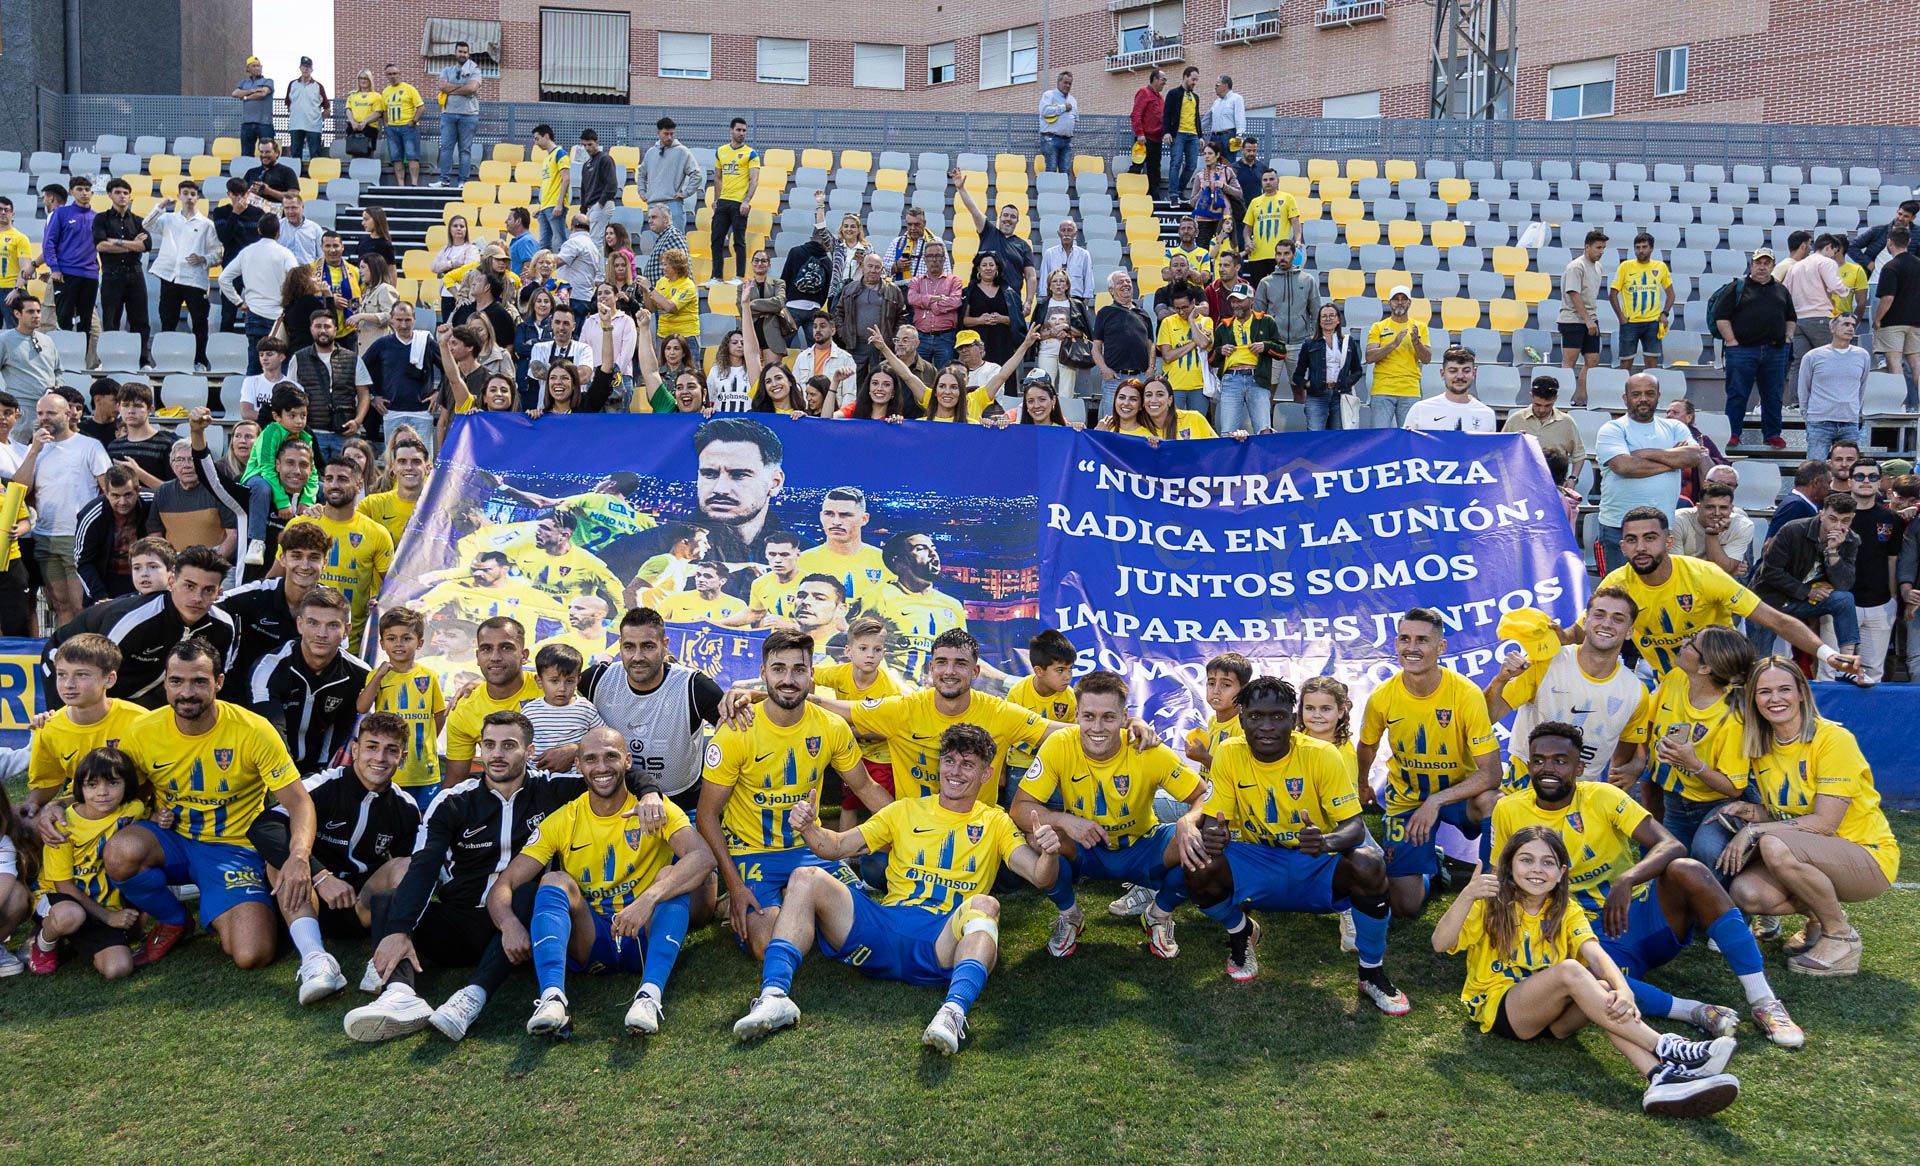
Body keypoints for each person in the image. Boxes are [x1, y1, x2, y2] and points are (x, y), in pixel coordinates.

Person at [730, 723, 1063, 1055]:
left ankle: (952, 1013)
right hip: (884, 928)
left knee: (986, 905)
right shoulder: (905, 809)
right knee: (806, 877)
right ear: (939, 765)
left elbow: (1040, 876)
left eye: (967, 764)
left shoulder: (996, 821)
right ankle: (774, 997)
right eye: (949, 761)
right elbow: (836, 847)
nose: (955, 772)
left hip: (941, 940)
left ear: (987, 773)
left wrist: (1048, 853)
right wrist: (809, 828)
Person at [339, 712, 666, 1042]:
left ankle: (473, 996)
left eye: (509, 745)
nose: (497, 754)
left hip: (522, 928)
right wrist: (400, 929)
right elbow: (424, 867)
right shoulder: (453, 800)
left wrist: (650, 792)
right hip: (463, 922)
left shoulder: (553, 791)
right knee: (387, 902)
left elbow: (612, 773)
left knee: (530, 890)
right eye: (489, 745)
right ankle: (399, 995)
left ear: (529, 750)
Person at [1497, 718, 1806, 1046]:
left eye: (1560, 761)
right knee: (1575, 972)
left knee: (1687, 869)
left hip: (1637, 916)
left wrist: (1627, 880)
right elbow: (1499, 876)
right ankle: (1696, 1011)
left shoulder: (1602, 796)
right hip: (1578, 934)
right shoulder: (1509, 809)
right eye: (1539, 760)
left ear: (1579, 767)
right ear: (1528, 763)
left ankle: (1764, 1001)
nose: (1548, 768)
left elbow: (1671, 844)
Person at [1432, 824, 1743, 1117]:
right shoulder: (1492, 903)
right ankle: (1666, 1047)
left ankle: (1658, 1077)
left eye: (1548, 862)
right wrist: (1468, 894)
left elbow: (1596, 955)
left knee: (1605, 991)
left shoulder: (1565, 909)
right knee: (1570, 970)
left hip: (1554, 1017)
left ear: (1561, 873)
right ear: (1509, 866)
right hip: (1504, 1011)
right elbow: (1439, 943)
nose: (1537, 869)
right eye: (1526, 860)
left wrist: (1624, 991)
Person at [1169, 677, 1407, 1010]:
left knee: (1369, 862)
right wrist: (1213, 834)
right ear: (1242, 718)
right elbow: (1214, 817)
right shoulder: (1228, 752)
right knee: (1199, 860)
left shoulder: (1322, 754)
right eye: (1256, 716)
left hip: (1312, 861)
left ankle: (1371, 972)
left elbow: (1354, 827)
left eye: (1277, 716)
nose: (1266, 726)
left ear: (1292, 718)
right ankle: (1241, 934)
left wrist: (1325, 842)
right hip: (1258, 860)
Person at [85, 638, 310, 977]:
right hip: (170, 840)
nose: (186, 692)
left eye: (199, 681)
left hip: (232, 849)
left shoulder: (253, 730)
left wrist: (299, 857)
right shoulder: (143, 731)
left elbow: (299, 802)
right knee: (120, 852)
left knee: (252, 954)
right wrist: (59, 807)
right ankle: (175, 920)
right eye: (176, 681)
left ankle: (229, 903)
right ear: (165, 681)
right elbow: (117, 788)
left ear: (218, 682)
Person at [492, 725, 710, 1039]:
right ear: (578, 766)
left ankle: (649, 996)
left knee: (668, 878)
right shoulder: (563, 819)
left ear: (628, 761)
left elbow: (703, 858)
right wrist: (509, 924)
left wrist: (647, 900)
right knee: (554, 879)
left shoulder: (652, 808)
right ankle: (553, 999)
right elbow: (505, 884)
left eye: (611, 757)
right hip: (591, 939)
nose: (602, 767)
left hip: (644, 933)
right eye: (591, 759)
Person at [1687, 659, 1900, 976]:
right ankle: (1818, 917)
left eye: (1784, 689)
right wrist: (1752, 811)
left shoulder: (1833, 740)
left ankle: (1841, 936)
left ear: (1802, 692)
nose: (1775, 699)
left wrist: (1753, 830)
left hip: (1866, 854)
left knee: (1773, 844)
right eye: (1764, 692)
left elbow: (1824, 823)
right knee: (1747, 893)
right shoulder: (1763, 745)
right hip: (1814, 850)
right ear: (1754, 700)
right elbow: (1790, 810)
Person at [698, 630, 889, 958]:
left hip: (810, 848)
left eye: (799, 670)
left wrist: (912, 829)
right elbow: (707, 815)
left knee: (866, 933)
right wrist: (735, 885)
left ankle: (795, 895)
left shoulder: (831, 726)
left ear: (812, 675)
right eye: (779, 669)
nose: (789, 679)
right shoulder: (736, 731)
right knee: (768, 947)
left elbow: (865, 788)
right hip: (752, 852)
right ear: (763, 674)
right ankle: (788, 898)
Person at [1011, 671, 1206, 961]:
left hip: (1141, 847)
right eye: (1089, 716)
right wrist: (1065, 821)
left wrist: (1188, 821)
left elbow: (1202, 795)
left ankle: (1159, 914)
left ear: (1124, 716)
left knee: (1203, 843)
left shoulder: (1147, 749)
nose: (1097, 727)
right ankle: (1071, 915)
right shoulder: (1060, 744)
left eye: (1108, 717)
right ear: (1077, 714)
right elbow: (1019, 809)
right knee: (1038, 839)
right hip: (1086, 850)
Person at [1356, 608, 1500, 918]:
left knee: (1494, 802)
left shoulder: (1465, 693)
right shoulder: (1383, 696)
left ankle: (1493, 889)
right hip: (1406, 800)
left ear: (1441, 647)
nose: (1412, 648)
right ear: (1396, 644)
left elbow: (1491, 774)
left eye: (1422, 640)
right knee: (1405, 907)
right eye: (1405, 639)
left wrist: (1436, 800)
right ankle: (1431, 867)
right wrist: (1363, 783)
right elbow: (1367, 744)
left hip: (1457, 796)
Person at [1600, 505, 1859, 677]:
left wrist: (1828, 654)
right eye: (1632, 540)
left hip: (1725, 683)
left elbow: (1775, 619)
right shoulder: (1616, 585)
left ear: (1668, 542)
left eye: (1650, 538)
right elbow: (1583, 631)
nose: (1641, 547)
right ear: (1622, 547)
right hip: (1669, 688)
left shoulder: (1703, 576)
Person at [578, 606, 733, 806]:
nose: (637, 656)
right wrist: (571, 748)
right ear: (620, 646)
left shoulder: (693, 686)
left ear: (665, 645)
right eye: (629, 647)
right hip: (616, 805)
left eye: (648, 646)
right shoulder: (597, 679)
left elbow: (740, 732)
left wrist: (750, 695)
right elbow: (550, 698)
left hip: (683, 804)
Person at [15, 391, 111, 627]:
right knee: (59, 606)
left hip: (77, 538)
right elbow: (19, 491)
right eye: (40, 413)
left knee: (81, 606)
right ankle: (63, 656)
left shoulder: (90, 446)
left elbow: (108, 491)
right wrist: (34, 450)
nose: (44, 418)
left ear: (68, 414)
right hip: (45, 538)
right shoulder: (36, 449)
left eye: (50, 413)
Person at [23, 634, 145, 816]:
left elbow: (157, 778)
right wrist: (33, 804)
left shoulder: (139, 720)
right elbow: (46, 783)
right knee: (29, 824)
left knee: (126, 843)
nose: (68, 684)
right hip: (81, 803)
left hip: (135, 805)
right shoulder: (50, 727)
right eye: (62, 675)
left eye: (81, 675)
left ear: (109, 679)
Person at [1593, 373, 1698, 573]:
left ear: (1658, 395)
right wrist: (1672, 461)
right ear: (1625, 398)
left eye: (1649, 393)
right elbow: (1624, 467)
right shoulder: (1613, 429)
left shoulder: (1675, 427)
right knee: (1620, 595)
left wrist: (1647, 453)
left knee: (1656, 590)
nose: (1643, 399)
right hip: (1619, 528)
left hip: (1660, 528)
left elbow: (1693, 457)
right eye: (1636, 394)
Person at [1750, 493, 1861, 670]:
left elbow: (1844, 585)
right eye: (1832, 519)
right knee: (1759, 661)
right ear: (1821, 513)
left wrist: (1833, 553)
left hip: (1799, 602)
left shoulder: (1850, 539)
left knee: (1844, 599)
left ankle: (1847, 663)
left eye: (1845, 521)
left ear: (1852, 519)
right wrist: (1807, 591)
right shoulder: (1793, 529)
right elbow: (1770, 572)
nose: (1838, 526)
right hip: (1767, 601)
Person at [357, 606, 447, 810]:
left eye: (406, 638)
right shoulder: (376, 675)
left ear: (420, 643)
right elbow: (362, 707)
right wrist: (378, 676)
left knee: (423, 820)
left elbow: (439, 715)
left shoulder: (429, 676)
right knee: (388, 817)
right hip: (390, 768)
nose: (399, 644)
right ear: (382, 643)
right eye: (391, 638)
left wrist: (425, 739)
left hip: (424, 769)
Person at [1714, 247, 1796, 449]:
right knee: (1737, 394)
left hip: (1775, 351)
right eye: (1758, 262)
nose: (1762, 266)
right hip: (1742, 351)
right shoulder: (1737, 287)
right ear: (1751, 264)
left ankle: (1772, 434)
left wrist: (1788, 337)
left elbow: (1791, 317)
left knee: (1773, 395)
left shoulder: (1781, 290)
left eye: (1767, 263)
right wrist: (1731, 341)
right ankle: (1732, 433)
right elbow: (1721, 317)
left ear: (1773, 266)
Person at [144, 181, 220, 373]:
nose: (189, 197)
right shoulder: (169, 219)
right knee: (168, 321)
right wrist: (160, 206)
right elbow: (146, 224)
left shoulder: (206, 224)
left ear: (198, 198)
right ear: (179, 196)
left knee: (199, 323)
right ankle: (166, 360)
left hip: (195, 280)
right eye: (185, 193)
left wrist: (203, 258)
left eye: (193, 194)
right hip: (170, 277)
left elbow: (217, 254)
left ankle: (200, 361)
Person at [219, 213, 301, 376]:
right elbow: (296, 281)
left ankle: (251, 399)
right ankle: (279, 399)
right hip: (279, 316)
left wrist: (238, 302)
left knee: (255, 363)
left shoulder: (246, 252)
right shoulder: (285, 254)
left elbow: (223, 278)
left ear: (258, 230)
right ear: (279, 233)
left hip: (254, 314)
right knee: (281, 364)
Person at [93, 178, 154, 370]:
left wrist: (118, 242)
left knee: (140, 320)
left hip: (135, 274)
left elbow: (145, 246)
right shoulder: (101, 218)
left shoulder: (138, 220)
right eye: (118, 192)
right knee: (111, 319)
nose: (122, 196)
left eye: (126, 193)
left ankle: (143, 360)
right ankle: (110, 359)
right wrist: (131, 244)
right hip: (111, 274)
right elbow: (101, 245)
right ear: (110, 195)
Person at [1208, 281, 1280, 434]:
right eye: (1233, 301)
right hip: (1231, 380)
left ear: (1251, 301)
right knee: (1227, 432)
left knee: (1264, 431)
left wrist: (1265, 346)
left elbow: (1282, 351)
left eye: (1239, 300)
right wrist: (1221, 350)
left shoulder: (1266, 322)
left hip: (1258, 379)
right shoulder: (1223, 327)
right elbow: (1212, 360)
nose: (1235, 305)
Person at [73, 467, 151, 604]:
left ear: (137, 490)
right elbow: (82, 561)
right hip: (107, 580)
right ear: (106, 492)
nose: (122, 502)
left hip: (146, 576)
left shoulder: (152, 502)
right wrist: (100, 596)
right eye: (115, 496)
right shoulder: (91, 515)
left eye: (128, 495)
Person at [42, 176, 100, 353]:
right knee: (64, 319)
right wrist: (55, 268)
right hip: (66, 274)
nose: (84, 193)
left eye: (87, 189)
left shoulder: (97, 218)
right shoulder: (61, 213)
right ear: (71, 191)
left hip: (89, 275)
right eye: (80, 189)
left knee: (86, 321)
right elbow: (49, 243)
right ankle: (64, 359)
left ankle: (80, 359)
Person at [1365, 286, 1429, 428]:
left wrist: (1416, 342)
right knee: (1380, 438)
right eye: (1396, 299)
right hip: (1382, 389)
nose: (1400, 302)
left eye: (1404, 299)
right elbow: (1369, 357)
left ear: (1409, 303)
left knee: (1410, 438)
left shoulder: (1420, 327)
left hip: (1410, 390)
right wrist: (1393, 344)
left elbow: (1427, 359)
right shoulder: (1378, 327)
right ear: (1389, 303)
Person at [1558, 229, 1609, 405]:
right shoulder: (1575, 266)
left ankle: (1581, 400)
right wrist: (1587, 320)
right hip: (1572, 319)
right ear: (1587, 247)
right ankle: (1563, 400)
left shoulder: (1598, 267)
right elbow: (1574, 293)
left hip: (1591, 318)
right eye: (1598, 247)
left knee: (1593, 361)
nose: (1601, 251)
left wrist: (1590, 320)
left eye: (1603, 248)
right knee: (1569, 362)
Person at [1610, 231, 1674, 369]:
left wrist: (1665, 313)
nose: (1640, 250)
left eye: (1644, 247)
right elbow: (1612, 294)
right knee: (1626, 363)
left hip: (1652, 322)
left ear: (1651, 248)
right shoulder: (1625, 266)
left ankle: (1650, 391)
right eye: (1637, 247)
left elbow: (1671, 294)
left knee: (1652, 364)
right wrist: (1621, 317)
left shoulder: (1660, 267)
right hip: (1630, 322)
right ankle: (1624, 390)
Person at [1872, 224, 1920, 408]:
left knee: (1895, 364)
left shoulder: (1890, 267)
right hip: (1916, 323)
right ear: (1908, 241)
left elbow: (1888, 297)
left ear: (1889, 242)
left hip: (1893, 323)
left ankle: (1900, 406)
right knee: (1916, 365)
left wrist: (1877, 319)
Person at [1671, 483, 1755, 579]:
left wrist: (1712, 534)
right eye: (1710, 507)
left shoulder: (1742, 526)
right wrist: (1730, 571)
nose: (1717, 513)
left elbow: (1723, 569)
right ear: (1698, 507)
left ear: (1731, 509)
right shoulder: (1678, 520)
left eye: (1723, 508)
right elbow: (1677, 569)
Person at [1404, 346, 1497, 433]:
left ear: (1474, 372)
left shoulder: (1486, 414)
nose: (1460, 376)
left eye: (1466, 371)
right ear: (1442, 373)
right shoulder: (1420, 410)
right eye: (1453, 371)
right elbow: (1406, 448)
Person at [0, 295, 62, 421]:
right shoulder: (4, 340)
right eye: (30, 311)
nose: (36, 315)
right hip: (22, 408)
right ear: (17, 314)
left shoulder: (47, 340)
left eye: (38, 311)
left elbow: (58, 371)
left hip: (48, 408)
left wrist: (56, 389)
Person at [640, 117, 704, 236]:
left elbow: (697, 174)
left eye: (672, 134)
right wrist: (642, 192)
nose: (669, 137)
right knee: (658, 247)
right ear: (658, 133)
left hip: (673, 204)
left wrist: (685, 193)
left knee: (676, 245)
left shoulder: (682, 151)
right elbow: (641, 174)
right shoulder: (650, 153)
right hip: (653, 204)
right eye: (666, 134)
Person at [1502, 375, 1585, 466]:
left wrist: (1573, 478)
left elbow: (1579, 454)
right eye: (1537, 405)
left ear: (1556, 398)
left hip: (1555, 477)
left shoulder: (1566, 422)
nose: (1542, 410)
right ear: (1531, 396)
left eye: (1547, 405)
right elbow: (1501, 450)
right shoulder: (1516, 419)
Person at [1241, 171, 1302, 288]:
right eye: (1265, 180)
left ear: (1277, 181)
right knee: (1258, 292)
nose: (1268, 182)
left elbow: (1295, 222)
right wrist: (1248, 241)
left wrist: (1298, 239)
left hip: (1280, 255)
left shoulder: (1287, 198)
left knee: (1281, 290)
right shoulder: (1255, 202)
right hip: (1257, 255)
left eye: (1271, 179)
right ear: (1261, 183)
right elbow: (1247, 228)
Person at [434, 40, 481, 188]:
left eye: (465, 52)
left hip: (469, 115)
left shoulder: (475, 70)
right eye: (460, 51)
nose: (463, 54)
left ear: (469, 54)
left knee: (465, 150)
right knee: (446, 148)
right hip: (448, 114)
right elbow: (442, 86)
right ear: (455, 53)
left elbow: (471, 88)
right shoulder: (446, 70)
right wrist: (462, 88)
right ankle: (444, 180)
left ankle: (463, 182)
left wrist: (451, 88)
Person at [1162, 66, 1204, 207]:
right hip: (1178, 133)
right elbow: (1166, 114)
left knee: (1192, 164)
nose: (1194, 82)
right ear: (1185, 77)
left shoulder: (1195, 97)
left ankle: (1179, 190)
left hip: (1193, 135)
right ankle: (1173, 194)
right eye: (1193, 79)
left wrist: (1200, 135)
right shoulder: (1173, 93)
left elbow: (1197, 117)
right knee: (1176, 162)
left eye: (1196, 80)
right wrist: (1166, 132)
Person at [379, 63, 424, 186]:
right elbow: (384, 110)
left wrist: (414, 121)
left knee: (412, 155)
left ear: (399, 74)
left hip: (408, 127)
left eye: (395, 73)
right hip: (392, 129)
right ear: (386, 76)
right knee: (396, 157)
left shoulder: (409, 89)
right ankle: (401, 184)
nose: (392, 76)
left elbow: (420, 107)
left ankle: (414, 183)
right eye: (389, 74)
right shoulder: (385, 92)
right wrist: (386, 125)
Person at [1130, 70, 1167, 199]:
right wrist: (1140, 133)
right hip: (1144, 140)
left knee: (1155, 170)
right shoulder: (1144, 93)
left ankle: (1154, 198)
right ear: (1155, 79)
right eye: (1163, 79)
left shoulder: (1161, 98)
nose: (1164, 83)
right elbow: (1136, 114)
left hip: (1157, 140)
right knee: (1137, 166)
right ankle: (1126, 194)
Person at [232, 55, 276, 157]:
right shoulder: (244, 82)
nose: (257, 68)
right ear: (248, 69)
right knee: (246, 154)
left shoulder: (268, 81)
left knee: (267, 154)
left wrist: (246, 97)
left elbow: (263, 93)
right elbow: (235, 93)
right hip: (247, 123)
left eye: (258, 66)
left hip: (264, 124)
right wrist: (252, 90)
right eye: (254, 66)